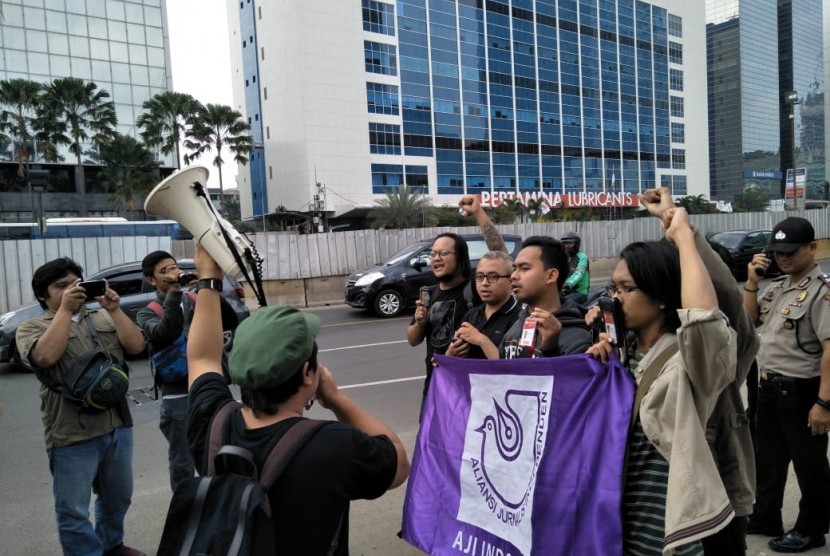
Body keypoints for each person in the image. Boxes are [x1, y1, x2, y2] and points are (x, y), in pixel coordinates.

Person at [186, 244, 410, 555]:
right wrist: (335, 399)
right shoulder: (335, 444)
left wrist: (207, 279)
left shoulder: (212, 419)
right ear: (308, 374)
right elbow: (398, 463)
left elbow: (201, 358)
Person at [586, 207, 738, 554]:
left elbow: (704, 320)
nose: (615, 297)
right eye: (613, 287)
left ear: (661, 297)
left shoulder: (688, 360)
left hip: (671, 533)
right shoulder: (619, 354)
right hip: (616, 526)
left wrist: (683, 236)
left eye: (627, 288)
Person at [15, 257, 146, 556]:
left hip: (116, 424)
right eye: (60, 286)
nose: (70, 290)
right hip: (71, 432)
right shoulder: (31, 327)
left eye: (74, 283)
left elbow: (136, 346)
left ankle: (111, 545)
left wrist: (114, 309)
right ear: (42, 296)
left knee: (117, 498)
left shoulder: (101, 317)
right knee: (73, 510)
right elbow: (45, 357)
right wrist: (64, 311)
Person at [744, 216, 830, 553]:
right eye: (778, 252)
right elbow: (750, 321)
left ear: (812, 247)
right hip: (769, 389)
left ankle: (812, 529)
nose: (783, 258)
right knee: (768, 460)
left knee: (810, 466)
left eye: (790, 252)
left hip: (803, 392)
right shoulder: (779, 287)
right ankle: (766, 516)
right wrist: (751, 283)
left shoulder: (821, 293)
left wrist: (824, 404)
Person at [135, 250, 238, 492]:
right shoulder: (147, 312)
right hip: (177, 393)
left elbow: (229, 321)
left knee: (221, 447)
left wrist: (207, 287)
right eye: (165, 271)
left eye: (173, 267)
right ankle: (186, 507)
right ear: (151, 280)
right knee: (182, 460)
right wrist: (173, 293)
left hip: (210, 385)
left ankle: (221, 500)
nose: (173, 273)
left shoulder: (195, 299)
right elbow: (164, 333)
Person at [407, 195, 506, 399]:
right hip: (436, 385)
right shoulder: (430, 293)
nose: (436, 258)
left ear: (459, 256)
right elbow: (413, 340)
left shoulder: (475, 286)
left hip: (469, 391)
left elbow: (501, 256)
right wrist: (420, 322)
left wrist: (478, 213)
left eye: (443, 253)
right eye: (433, 254)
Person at [500, 236, 592, 358]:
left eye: (525, 268)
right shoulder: (515, 328)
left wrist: (551, 350)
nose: (513, 276)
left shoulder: (578, 341)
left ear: (551, 276)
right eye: (515, 268)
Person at [445, 251, 521, 360]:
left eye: (493, 276)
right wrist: (449, 355)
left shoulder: (520, 318)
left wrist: (481, 340)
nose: (484, 283)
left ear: (511, 281)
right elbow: (454, 356)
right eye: (480, 276)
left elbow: (512, 369)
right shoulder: (472, 315)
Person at [560, 230, 590, 304]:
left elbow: (579, 273)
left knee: (563, 304)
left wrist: (568, 283)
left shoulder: (582, 257)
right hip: (565, 291)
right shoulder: (563, 256)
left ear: (576, 244)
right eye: (565, 243)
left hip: (579, 292)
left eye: (570, 243)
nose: (567, 246)